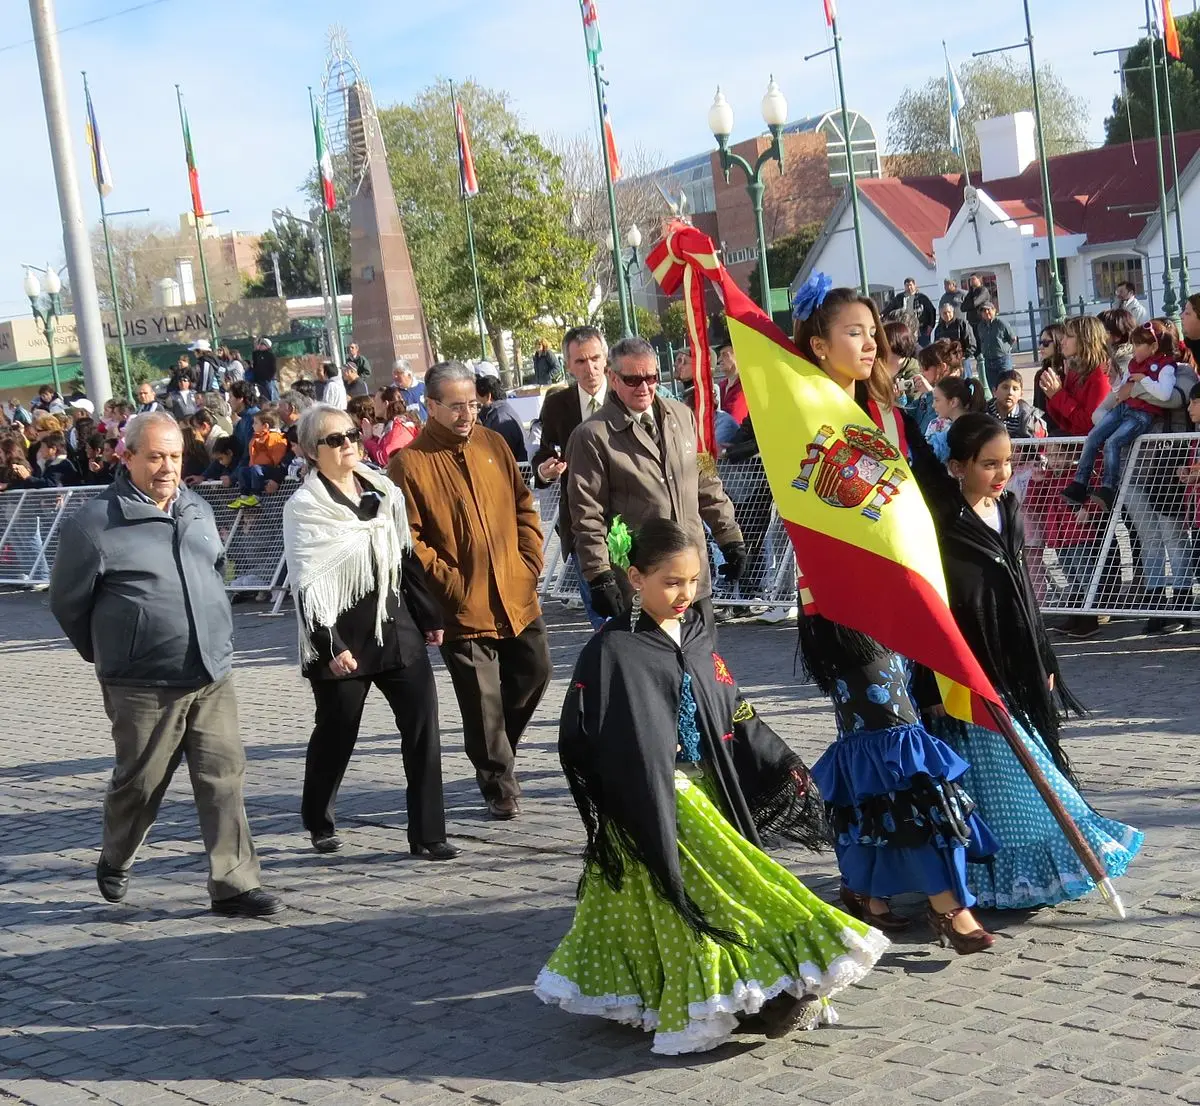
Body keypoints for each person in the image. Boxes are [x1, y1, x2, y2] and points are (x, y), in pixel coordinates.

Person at [535, 518, 885, 1053]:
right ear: (636, 578)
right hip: (655, 796)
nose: (685, 593)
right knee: (719, 892)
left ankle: (756, 993)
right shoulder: (613, 651)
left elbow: (732, 706)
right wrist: (633, 778)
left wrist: (779, 757)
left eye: (694, 581)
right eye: (672, 582)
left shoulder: (697, 633)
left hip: (712, 787)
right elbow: (583, 734)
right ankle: (741, 998)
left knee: (688, 896)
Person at [794, 284, 1000, 955]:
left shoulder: (888, 415)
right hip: (842, 609)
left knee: (871, 751)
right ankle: (949, 904)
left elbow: (927, 500)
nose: (869, 344)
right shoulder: (799, 413)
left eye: (872, 332)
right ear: (820, 344)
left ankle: (868, 887)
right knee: (898, 745)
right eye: (852, 332)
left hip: (903, 603)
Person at [47, 411, 282, 917]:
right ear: (125, 456)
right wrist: (114, 650)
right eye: (154, 456)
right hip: (142, 682)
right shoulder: (94, 525)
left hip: (211, 670)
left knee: (224, 776)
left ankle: (234, 883)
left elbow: (218, 569)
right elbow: (68, 603)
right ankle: (116, 856)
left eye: (174, 456)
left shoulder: (195, 507)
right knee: (142, 783)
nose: (167, 467)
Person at [927, 413, 1142, 908]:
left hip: (1015, 655)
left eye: (1007, 461)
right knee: (991, 776)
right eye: (989, 464)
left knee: (1030, 767)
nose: (1001, 473)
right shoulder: (940, 519)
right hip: (964, 663)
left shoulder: (1011, 508)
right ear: (958, 466)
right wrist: (931, 682)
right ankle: (987, 876)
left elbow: (1024, 589)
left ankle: (1042, 867)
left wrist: (1043, 655)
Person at [281, 404, 457, 860]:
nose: (348, 445)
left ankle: (428, 835)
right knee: (337, 733)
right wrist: (329, 647)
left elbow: (405, 557)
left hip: (396, 629)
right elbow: (306, 584)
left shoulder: (382, 490)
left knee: (423, 729)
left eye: (352, 435)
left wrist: (430, 616)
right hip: (341, 639)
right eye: (335, 440)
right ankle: (318, 817)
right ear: (311, 452)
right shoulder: (304, 508)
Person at [389, 360, 551, 819]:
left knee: (535, 672)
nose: (467, 414)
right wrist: (449, 583)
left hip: (516, 590)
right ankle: (499, 782)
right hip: (461, 603)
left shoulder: (494, 443)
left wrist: (529, 559)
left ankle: (495, 750)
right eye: (456, 406)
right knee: (481, 700)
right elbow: (410, 539)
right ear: (432, 406)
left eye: (473, 404)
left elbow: (524, 506)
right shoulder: (410, 463)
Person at [566, 336, 746, 623]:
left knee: (704, 663)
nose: (645, 387)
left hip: (692, 579)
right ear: (613, 378)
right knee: (652, 667)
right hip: (643, 586)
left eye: (651, 377)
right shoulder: (592, 436)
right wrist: (599, 575)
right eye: (633, 380)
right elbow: (587, 514)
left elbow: (707, 482)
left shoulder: (683, 417)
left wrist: (730, 538)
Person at [529, 325, 610, 629]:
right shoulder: (557, 404)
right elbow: (544, 450)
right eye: (580, 362)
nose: (589, 368)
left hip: (630, 521)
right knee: (603, 620)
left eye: (594, 358)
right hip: (581, 527)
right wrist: (543, 470)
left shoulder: (626, 394)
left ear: (606, 358)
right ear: (568, 365)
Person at [1062, 322, 1178, 513]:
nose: (1134, 349)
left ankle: (1109, 487)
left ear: (1154, 347)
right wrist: (1115, 378)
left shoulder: (1166, 367)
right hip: (1124, 408)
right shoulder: (1134, 364)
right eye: (1134, 344)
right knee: (1093, 436)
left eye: (1139, 344)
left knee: (1113, 443)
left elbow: (1165, 394)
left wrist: (1143, 380)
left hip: (1142, 414)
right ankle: (1079, 483)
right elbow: (1121, 390)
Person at [1039, 315, 1112, 437]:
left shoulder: (1102, 374)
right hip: (1075, 440)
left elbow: (1090, 423)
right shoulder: (1074, 370)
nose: (1062, 341)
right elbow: (1063, 421)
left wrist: (1057, 394)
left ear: (1086, 340)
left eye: (1069, 336)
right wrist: (1052, 394)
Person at [230, 409, 288, 508]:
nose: (253, 425)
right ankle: (244, 496)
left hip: (270, 469)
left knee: (256, 469)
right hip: (257, 468)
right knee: (243, 470)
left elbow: (278, 457)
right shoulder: (255, 437)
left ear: (265, 426)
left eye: (256, 423)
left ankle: (256, 496)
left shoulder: (275, 437)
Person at [924, 376, 986, 461]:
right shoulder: (936, 424)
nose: (933, 405)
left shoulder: (977, 429)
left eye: (937, 400)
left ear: (953, 402)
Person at [910, 340, 960, 434]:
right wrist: (900, 398)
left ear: (942, 367)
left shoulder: (955, 394)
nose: (922, 372)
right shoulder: (927, 391)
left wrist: (930, 393)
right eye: (920, 368)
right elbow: (912, 418)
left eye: (925, 368)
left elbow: (935, 423)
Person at [476, 373, 528, 462]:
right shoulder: (500, 411)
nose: (475, 401)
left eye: (476, 397)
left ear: (488, 396)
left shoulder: (501, 418)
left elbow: (503, 454)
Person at [987, 370, 1044, 439]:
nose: (1010, 393)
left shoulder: (1030, 419)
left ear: (1021, 394)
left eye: (1015, 389)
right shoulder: (984, 413)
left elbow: (1040, 445)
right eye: (1005, 387)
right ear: (994, 391)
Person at [1033, 323, 1067, 433]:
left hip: (1063, 430)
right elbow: (1037, 408)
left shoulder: (1068, 373)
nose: (1041, 347)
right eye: (1040, 342)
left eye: (1046, 343)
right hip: (1045, 431)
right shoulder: (1040, 374)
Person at [975, 302, 1016, 394]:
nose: (986, 312)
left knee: (1006, 385)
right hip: (989, 361)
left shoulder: (1001, 323)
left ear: (994, 310)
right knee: (993, 389)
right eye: (983, 311)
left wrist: (1006, 349)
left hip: (1002, 360)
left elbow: (1013, 338)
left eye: (988, 310)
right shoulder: (980, 326)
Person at [884, 277, 936, 345]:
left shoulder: (922, 298)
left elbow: (931, 311)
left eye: (910, 285)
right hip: (906, 328)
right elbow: (889, 308)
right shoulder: (899, 298)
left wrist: (931, 326)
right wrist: (881, 315)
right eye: (907, 285)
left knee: (923, 348)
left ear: (914, 285)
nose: (909, 287)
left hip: (921, 328)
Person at [715, 341, 750, 425]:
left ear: (738, 355)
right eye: (720, 355)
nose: (719, 360)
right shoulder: (719, 387)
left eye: (725, 355)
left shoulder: (747, 385)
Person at [961, 273, 992, 351]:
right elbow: (963, 307)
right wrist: (969, 304)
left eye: (973, 279)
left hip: (981, 320)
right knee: (974, 342)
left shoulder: (983, 290)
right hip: (971, 321)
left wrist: (969, 304)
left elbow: (975, 303)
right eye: (970, 279)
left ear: (979, 280)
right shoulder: (970, 293)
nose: (971, 281)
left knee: (981, 341)